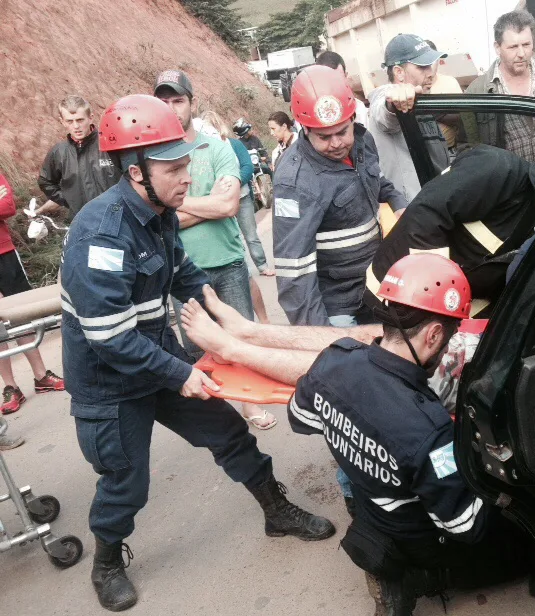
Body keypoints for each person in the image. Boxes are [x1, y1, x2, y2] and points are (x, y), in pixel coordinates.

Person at [60, 94, 334, 612]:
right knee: (126, 481)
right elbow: (111, 339)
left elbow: (182, 273)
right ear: (137, 172)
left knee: (229, 431)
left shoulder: (160, 213)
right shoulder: (99, 235)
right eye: (174, 167)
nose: (187, 176)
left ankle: (276, 511)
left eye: (186, 162)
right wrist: (179, 372)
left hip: (157, 359)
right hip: (109, 381)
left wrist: (223, 315)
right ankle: (107, 560)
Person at [287, 254, 535, 614]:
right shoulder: (428, 429)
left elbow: (300, 418)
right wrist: (502, 489)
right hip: (416, 532)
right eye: (451, 334)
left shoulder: (334, 359)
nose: (449, 344)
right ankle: (418, 579)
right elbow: (464, 525)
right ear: (434, 333)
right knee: (520, 547)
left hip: (369, 501)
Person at [154, 70, 275, 430]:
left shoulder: (217, 148)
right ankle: (222, 414)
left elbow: (226, 207)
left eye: (178, 100)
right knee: (197, 348)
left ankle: (250, 405)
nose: (172, 108)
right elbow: (161, 217)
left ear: (192, 103)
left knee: (240, 333)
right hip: (182, 271)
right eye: (164, 102)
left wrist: (177, 208)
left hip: (227, 260)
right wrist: (201, 205)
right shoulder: (154, 160)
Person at [364, 145, 535, 318]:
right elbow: (425, 214)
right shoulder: (499, 169)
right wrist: (441, 300)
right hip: (394, 297)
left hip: (451, 312)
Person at [274, 65, 406, 327]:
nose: (336, 143)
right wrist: (319, 336)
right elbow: (294, 273)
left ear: (353, 119)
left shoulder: (362, 142)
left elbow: (376, 179)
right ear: (304, 128)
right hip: (337, 304)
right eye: (324, 137)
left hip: (376, 283)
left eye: (342, 132)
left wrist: (399, 204)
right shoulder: (295, 181)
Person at [465, 10, 535, 163]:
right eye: (513, 47)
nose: (521, 53)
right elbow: (468, 148)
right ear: (497, 47)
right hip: (506, 185)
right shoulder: (477, 91)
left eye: (526, 44)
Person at [198, 112, 274, 326]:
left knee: (250, 237)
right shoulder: (199, 153)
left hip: (240, 199)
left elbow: (247, 167)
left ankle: (262, 267)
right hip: (215, 233)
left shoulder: (232, 145)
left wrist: (232, 182)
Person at [0, 172, 65, 416]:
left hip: (4, 253)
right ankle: (10, 386)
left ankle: (41, 377)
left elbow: (7, 206)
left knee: (21, 315)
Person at [367, 33, 452, 200]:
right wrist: (394, 101)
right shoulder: (386, 98)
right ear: (399, 72)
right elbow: (385, 114)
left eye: (431, 65)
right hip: (409, 212)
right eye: (422, 67)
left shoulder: (419, 101)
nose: (431, 73)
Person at [37, 95, 120, 220]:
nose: (76, 126)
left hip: (119, 218)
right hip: (83, 222)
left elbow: (134, 176)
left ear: (90, 118)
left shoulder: (111, 143)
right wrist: (69, 200)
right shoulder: (59, 152)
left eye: (80, 120)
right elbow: (45, 181)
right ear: (62, 122)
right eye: (70, 121)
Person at [422, 40, 464, 150]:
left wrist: (434, 112)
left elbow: (461, 117)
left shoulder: (450, 82)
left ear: (438, 61)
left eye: (431, 62)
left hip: (450, 150)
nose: (429, 69)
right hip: (424, 152)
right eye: (424, 64)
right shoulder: (415, 86)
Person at [315, 50, 369, 126]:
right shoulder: (310, 112)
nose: (335, 85)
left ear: (346, 76)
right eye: (329, 80)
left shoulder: (358, 108)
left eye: (339, 79)